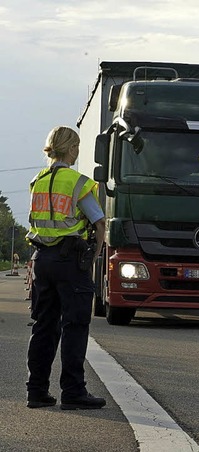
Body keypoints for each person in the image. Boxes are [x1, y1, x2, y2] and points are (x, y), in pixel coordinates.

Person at [25, 126, 107, 410]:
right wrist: (94, 256)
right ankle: (73, 392)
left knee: (43, 327)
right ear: (71, 148)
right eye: (77, 146)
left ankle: (36, 391)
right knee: (74, 326)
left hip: (42, 260)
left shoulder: (38, 180)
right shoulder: (76, 182)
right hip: (70, 262)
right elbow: (99, 223)